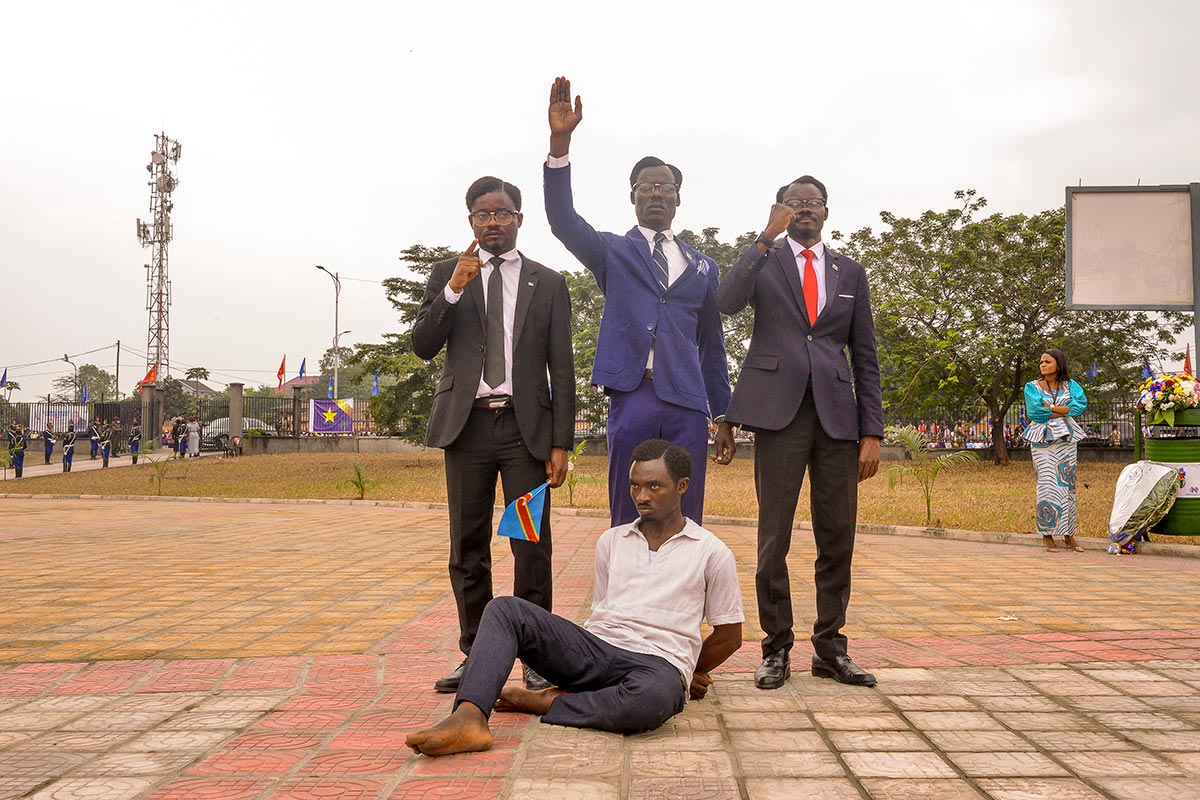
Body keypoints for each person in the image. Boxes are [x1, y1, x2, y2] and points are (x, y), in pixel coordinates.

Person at [405, 439, 744, 757]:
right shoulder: (612, 541)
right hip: (595, 650)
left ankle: (543, 702)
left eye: (654, 486)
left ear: (682, 486)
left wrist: (683, 673)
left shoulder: (712, 552)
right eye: (635, 486)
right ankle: (469, 717)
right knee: (505, 609)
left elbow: (730, 636)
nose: (642, 496)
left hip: (656, 662)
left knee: (653, 699)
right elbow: (602, 611)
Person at [716, 175, 883, 690]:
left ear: (827, 213)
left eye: (813, 204)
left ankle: (831, 648)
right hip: (777, 415)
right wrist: (766, 235)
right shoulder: (765, 259)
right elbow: (726, 300)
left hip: (837, 418)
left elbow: (866, 356)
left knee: (838, 537)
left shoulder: (850, 271)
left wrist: (871, 430)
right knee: (774, 538)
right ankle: (776, 648)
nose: (804, 210)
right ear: (781, 209)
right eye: (795, 203)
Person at [543, 76, 733, 527]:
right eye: (646, 187)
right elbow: (562, 219)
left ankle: (683, 594)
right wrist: (559, 144)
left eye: (664, 188)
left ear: (677, 200)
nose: (655, 194)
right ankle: (626, 593)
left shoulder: (703, 265)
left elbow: (712, 344)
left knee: (687, 511)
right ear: (632, 196)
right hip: (633, 393)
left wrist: (723, 413)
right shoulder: (614, 252)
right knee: (629, 506)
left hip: (687, 399)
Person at [412, 175, 575, 695]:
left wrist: (561, 442)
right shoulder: (448, 274)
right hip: (469, 430)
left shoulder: (546, 282)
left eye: (503, 213)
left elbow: (562, 368)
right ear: (470, 222)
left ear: (519, 220)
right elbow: (422, 344)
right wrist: (454, 288)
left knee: (529, 544)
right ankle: (477, 653)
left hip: (525, 434)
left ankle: (535, 655)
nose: (493, 222)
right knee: (468, 544)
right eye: (482, 214)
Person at [1021, 349, 1088, 553]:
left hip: (1066, 438)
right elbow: (1035, 412)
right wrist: (1062, 409)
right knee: (1047, 484)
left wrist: (1051, 407)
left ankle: (1069, 535)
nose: (1042, 364)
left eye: (1047, 361)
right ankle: (1047, 535)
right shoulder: (1031, 387)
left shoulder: (1071, 385)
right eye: (1041, 361)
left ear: (1058, 364)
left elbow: (1079, 406)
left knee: (1067, 485)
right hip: (1042, 439)